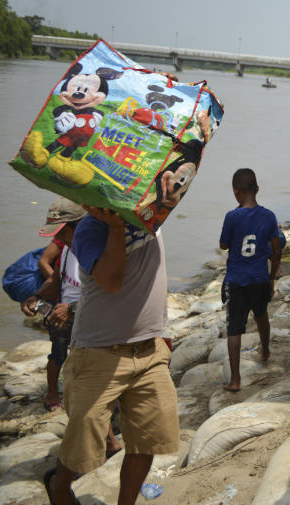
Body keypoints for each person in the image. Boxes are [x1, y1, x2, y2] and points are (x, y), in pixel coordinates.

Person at [45, 207, 178, 505]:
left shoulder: (148, 213)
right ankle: (59, 485)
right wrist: (116, 227)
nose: (58, 239)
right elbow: (112, 281)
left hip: (149, 349)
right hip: (98, 354)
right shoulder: (90, 231)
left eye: (60, 231)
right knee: (82, 444)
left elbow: (175, 184)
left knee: (148, 440)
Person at [21, 199, 87, 412]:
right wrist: (35, 296)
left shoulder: (98, 254)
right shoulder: (67, 250)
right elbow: (57, 280)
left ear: (79, 227)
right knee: (57, 353)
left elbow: (106, 295)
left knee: (88, 363)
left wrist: (72, 309)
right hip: (63, 311)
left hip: (88, 317)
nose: (57, 239)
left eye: (61, 232)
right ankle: (52, 392)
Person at [219, 168, 281, 391]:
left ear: (236, 192)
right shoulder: (268, 216)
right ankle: (265, 351)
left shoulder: (232, 217)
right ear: (257, 189)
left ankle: (235, 380)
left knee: (234, 328)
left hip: (237, 280)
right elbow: (276, 249)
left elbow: (223, 245)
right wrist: (272, 276)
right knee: (261, 313)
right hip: (260, 277)